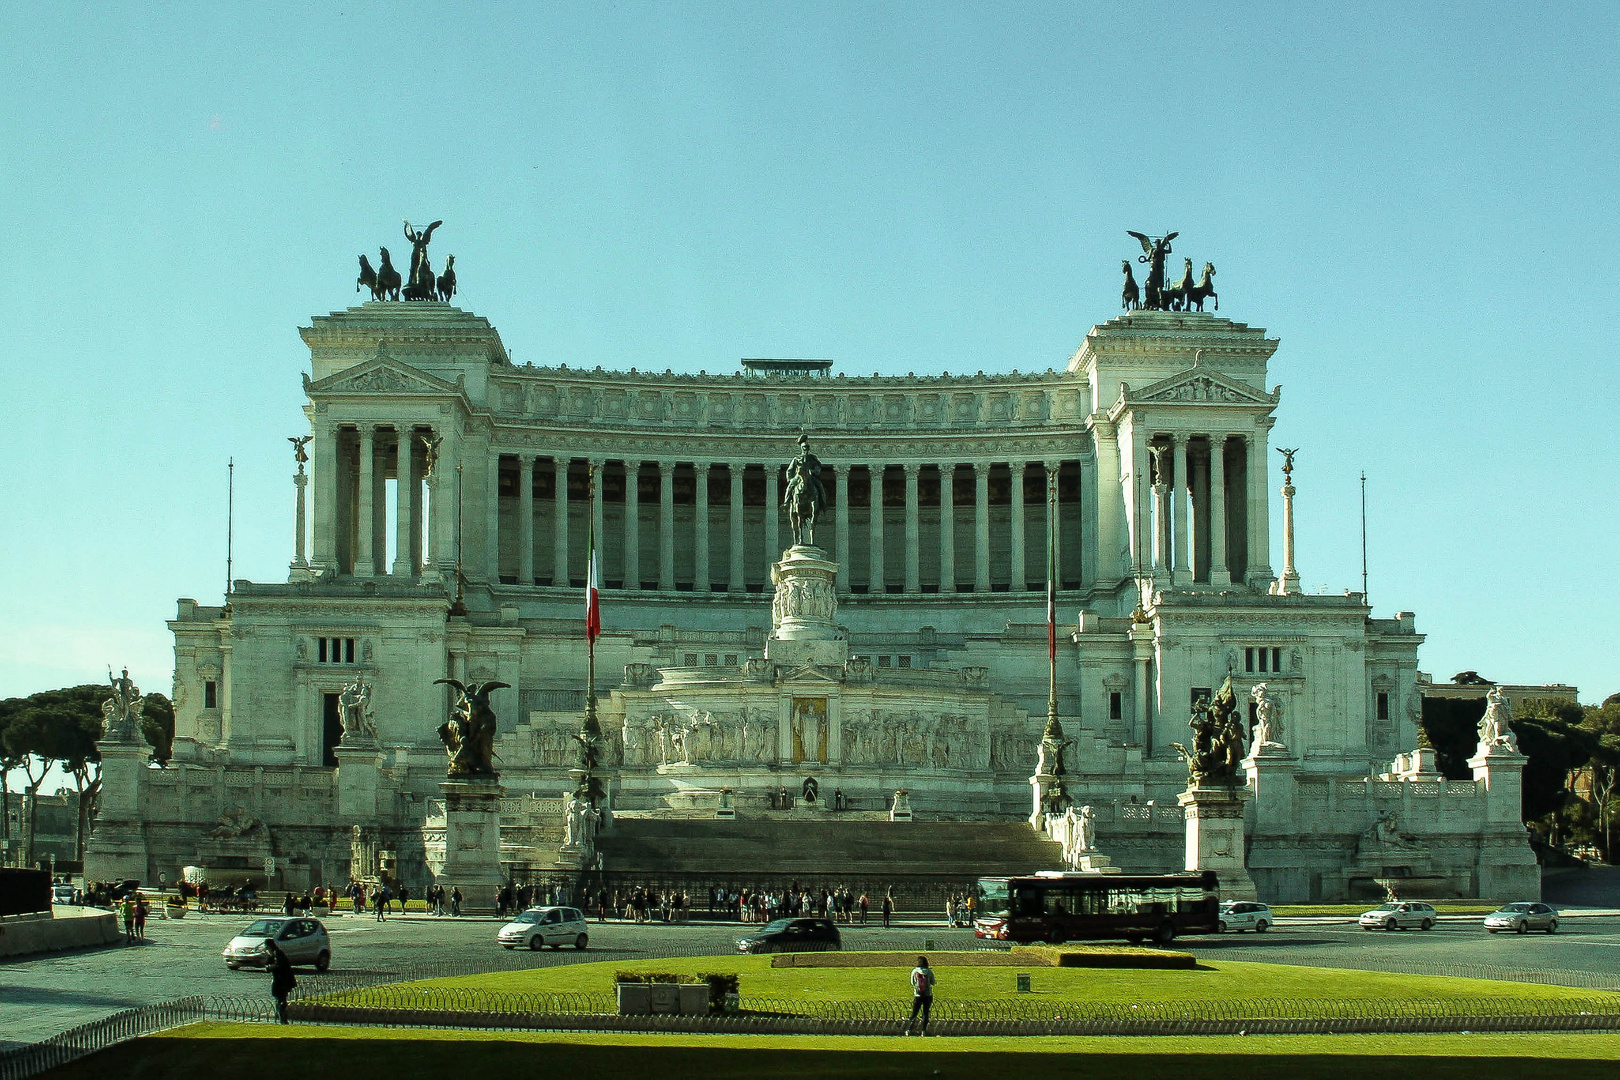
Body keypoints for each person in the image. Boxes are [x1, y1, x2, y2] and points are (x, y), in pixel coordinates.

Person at [264, 939, 297, 1024]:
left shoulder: (278, 953)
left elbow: (280, 966)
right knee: (279, 999)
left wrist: (270, 967)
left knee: (280, 999)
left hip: (282, 981)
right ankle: (282, 1018)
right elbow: (268, 963)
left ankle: (283, 1019)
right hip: (280, 980)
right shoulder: (274, 953)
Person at [905, 956, 935, 1035]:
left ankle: (908, 1030)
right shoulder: (929, 971)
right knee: (925, 1013)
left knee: (914, 1013)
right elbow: (933, 982)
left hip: (917, 995)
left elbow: (912, 982)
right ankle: (923, 1031)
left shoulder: (914, 971)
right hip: (927, 995)